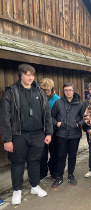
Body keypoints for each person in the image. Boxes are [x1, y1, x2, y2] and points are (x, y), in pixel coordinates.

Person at [0, 64, 53, 205]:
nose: (30, 77)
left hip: (38, 134)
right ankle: (17, 190)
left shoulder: (40, 92)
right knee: (17, 162)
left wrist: (49, 132)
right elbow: (4, 117)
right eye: (27, 74)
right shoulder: (11, 92)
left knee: (35, 161)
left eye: (32, 75)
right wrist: (7, 139)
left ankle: (34, 186)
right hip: (19, 135)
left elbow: (47, 113)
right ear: (21, 75)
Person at [51, 82, 85, 188]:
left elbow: (84, 118)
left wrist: (78, 124)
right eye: (66, 90)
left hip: (74, 134)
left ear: (73, 90)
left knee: (72, 156)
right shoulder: (58, 102)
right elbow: (52, 116)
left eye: (70, 90)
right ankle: (59, 176)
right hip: (61, 134)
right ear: (63, 91)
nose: (68, 92)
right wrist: (57, 123)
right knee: (60, 156)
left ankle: (71, 174)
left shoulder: (80, 104)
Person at [39, 78, 60, 181]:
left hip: (54, 130)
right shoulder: (38, 97)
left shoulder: (57, 99)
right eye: (43, 89)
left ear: (52, 88)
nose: (46, 92)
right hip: (41, 130)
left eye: (47, 89)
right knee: (42, 153)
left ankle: (53, 171)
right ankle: (42, 172)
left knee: (54, 152)